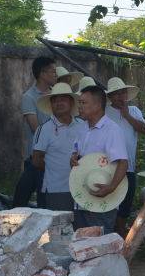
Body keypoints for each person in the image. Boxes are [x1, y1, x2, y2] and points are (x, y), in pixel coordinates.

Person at [71, 85, 129, 233]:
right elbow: (76, 153)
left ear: (97, 105)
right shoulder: (82, 128)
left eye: (84, 103)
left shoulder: (112, 130)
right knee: (82, 242)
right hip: (82, 196)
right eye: (80, 103)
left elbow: (123, 162)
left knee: (100, 244)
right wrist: (73, 159)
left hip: (103, 198)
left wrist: (111, 187)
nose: (79, 107)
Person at [32, 83, 86, 211]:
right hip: (57, 189)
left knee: (82, 228)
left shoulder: (83, 125)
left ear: (71, 102)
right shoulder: (44, 129)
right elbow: (36, 160)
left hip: (83, 187)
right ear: (51, 105)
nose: (59, 103)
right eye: (55, 100)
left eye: (63, 99)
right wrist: (54, 168)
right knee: (61, 228)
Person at [104, 77, 145, 236]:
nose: (120, 97)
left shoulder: (134, 111)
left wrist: (127, 115)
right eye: (116, 94)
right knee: (110, 203)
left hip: (128, 167)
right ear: (110, 97)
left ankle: (120, 238)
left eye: (123, 93)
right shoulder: (104, 112)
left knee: (125, 207)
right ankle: (109, 236)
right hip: (109, 167)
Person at [14, 56, 57, 207]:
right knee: (21, 199)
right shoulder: (29, 97)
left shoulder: (56, 96)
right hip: (36, 157)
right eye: (53, 71)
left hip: (55, 158)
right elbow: (36, 128)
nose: (55, 75)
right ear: (42, 73)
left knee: (46, 201)